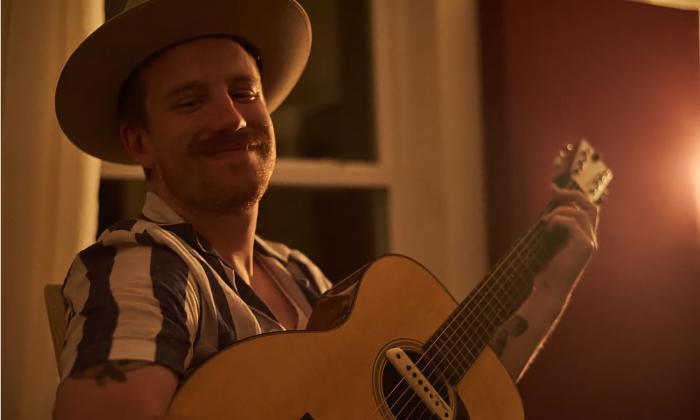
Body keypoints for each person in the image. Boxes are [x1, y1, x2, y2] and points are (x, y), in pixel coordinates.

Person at [52, 0, 600, 419]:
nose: (234, 119)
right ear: (139, 142)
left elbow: (451, 398)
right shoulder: (143, 269)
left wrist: (548, 287)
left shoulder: (305, 282)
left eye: (244, 92)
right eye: (191, 101)